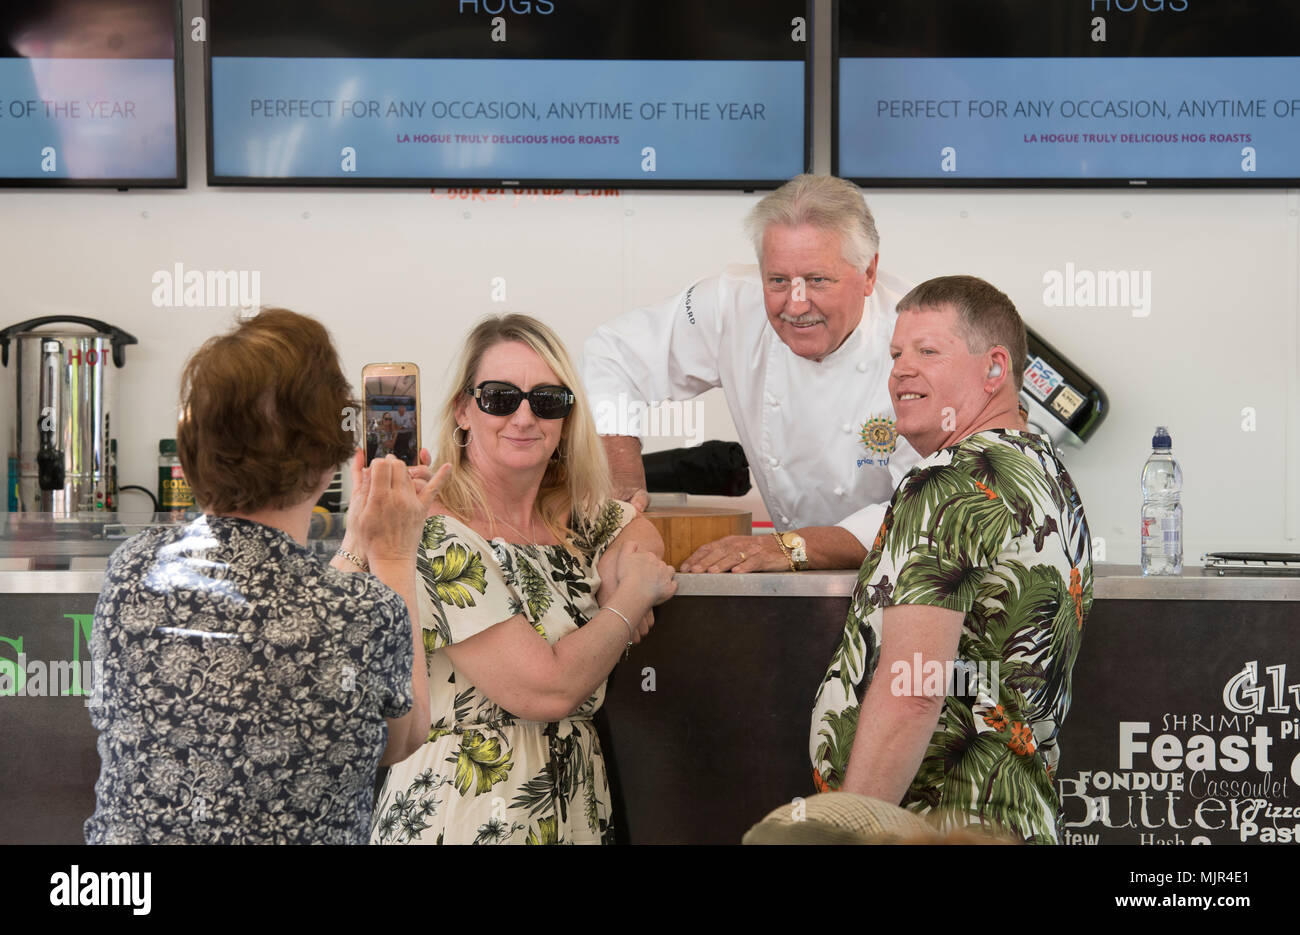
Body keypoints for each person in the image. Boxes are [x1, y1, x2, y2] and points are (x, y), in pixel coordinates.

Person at [85, 308, 442, 845]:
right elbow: (404, 736)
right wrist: (392, 555)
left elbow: (294, 601)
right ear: (328, 453)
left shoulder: (132, 568)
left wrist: (356, 542)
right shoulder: (359, 611)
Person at [371, 313, 676, 845]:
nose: (524, 416)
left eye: (547, 400)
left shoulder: (572, 519)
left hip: (575, 805)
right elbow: (548, 689)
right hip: (468, 811)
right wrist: (627, 602)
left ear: (565, 419)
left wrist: (622, 565)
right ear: (464, 410)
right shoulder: (432, 531)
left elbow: (639, 530)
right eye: (500, 397)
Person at [808, 276, 1093, 844]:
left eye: (928, 351)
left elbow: (914, 690)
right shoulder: (1047, 472)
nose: (900, 371)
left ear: (994, 369)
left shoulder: (945, 483)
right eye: (895, 354)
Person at [581, 174, 923, 573]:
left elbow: (927, 510)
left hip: (903, 579)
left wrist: (793, 548)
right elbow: (614, 354)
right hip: (785, 578)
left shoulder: (918, 336)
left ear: (869, 273)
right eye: (778, 281)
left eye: (818, 281)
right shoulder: (730, 304)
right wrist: (621, 471)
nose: (796, 306)